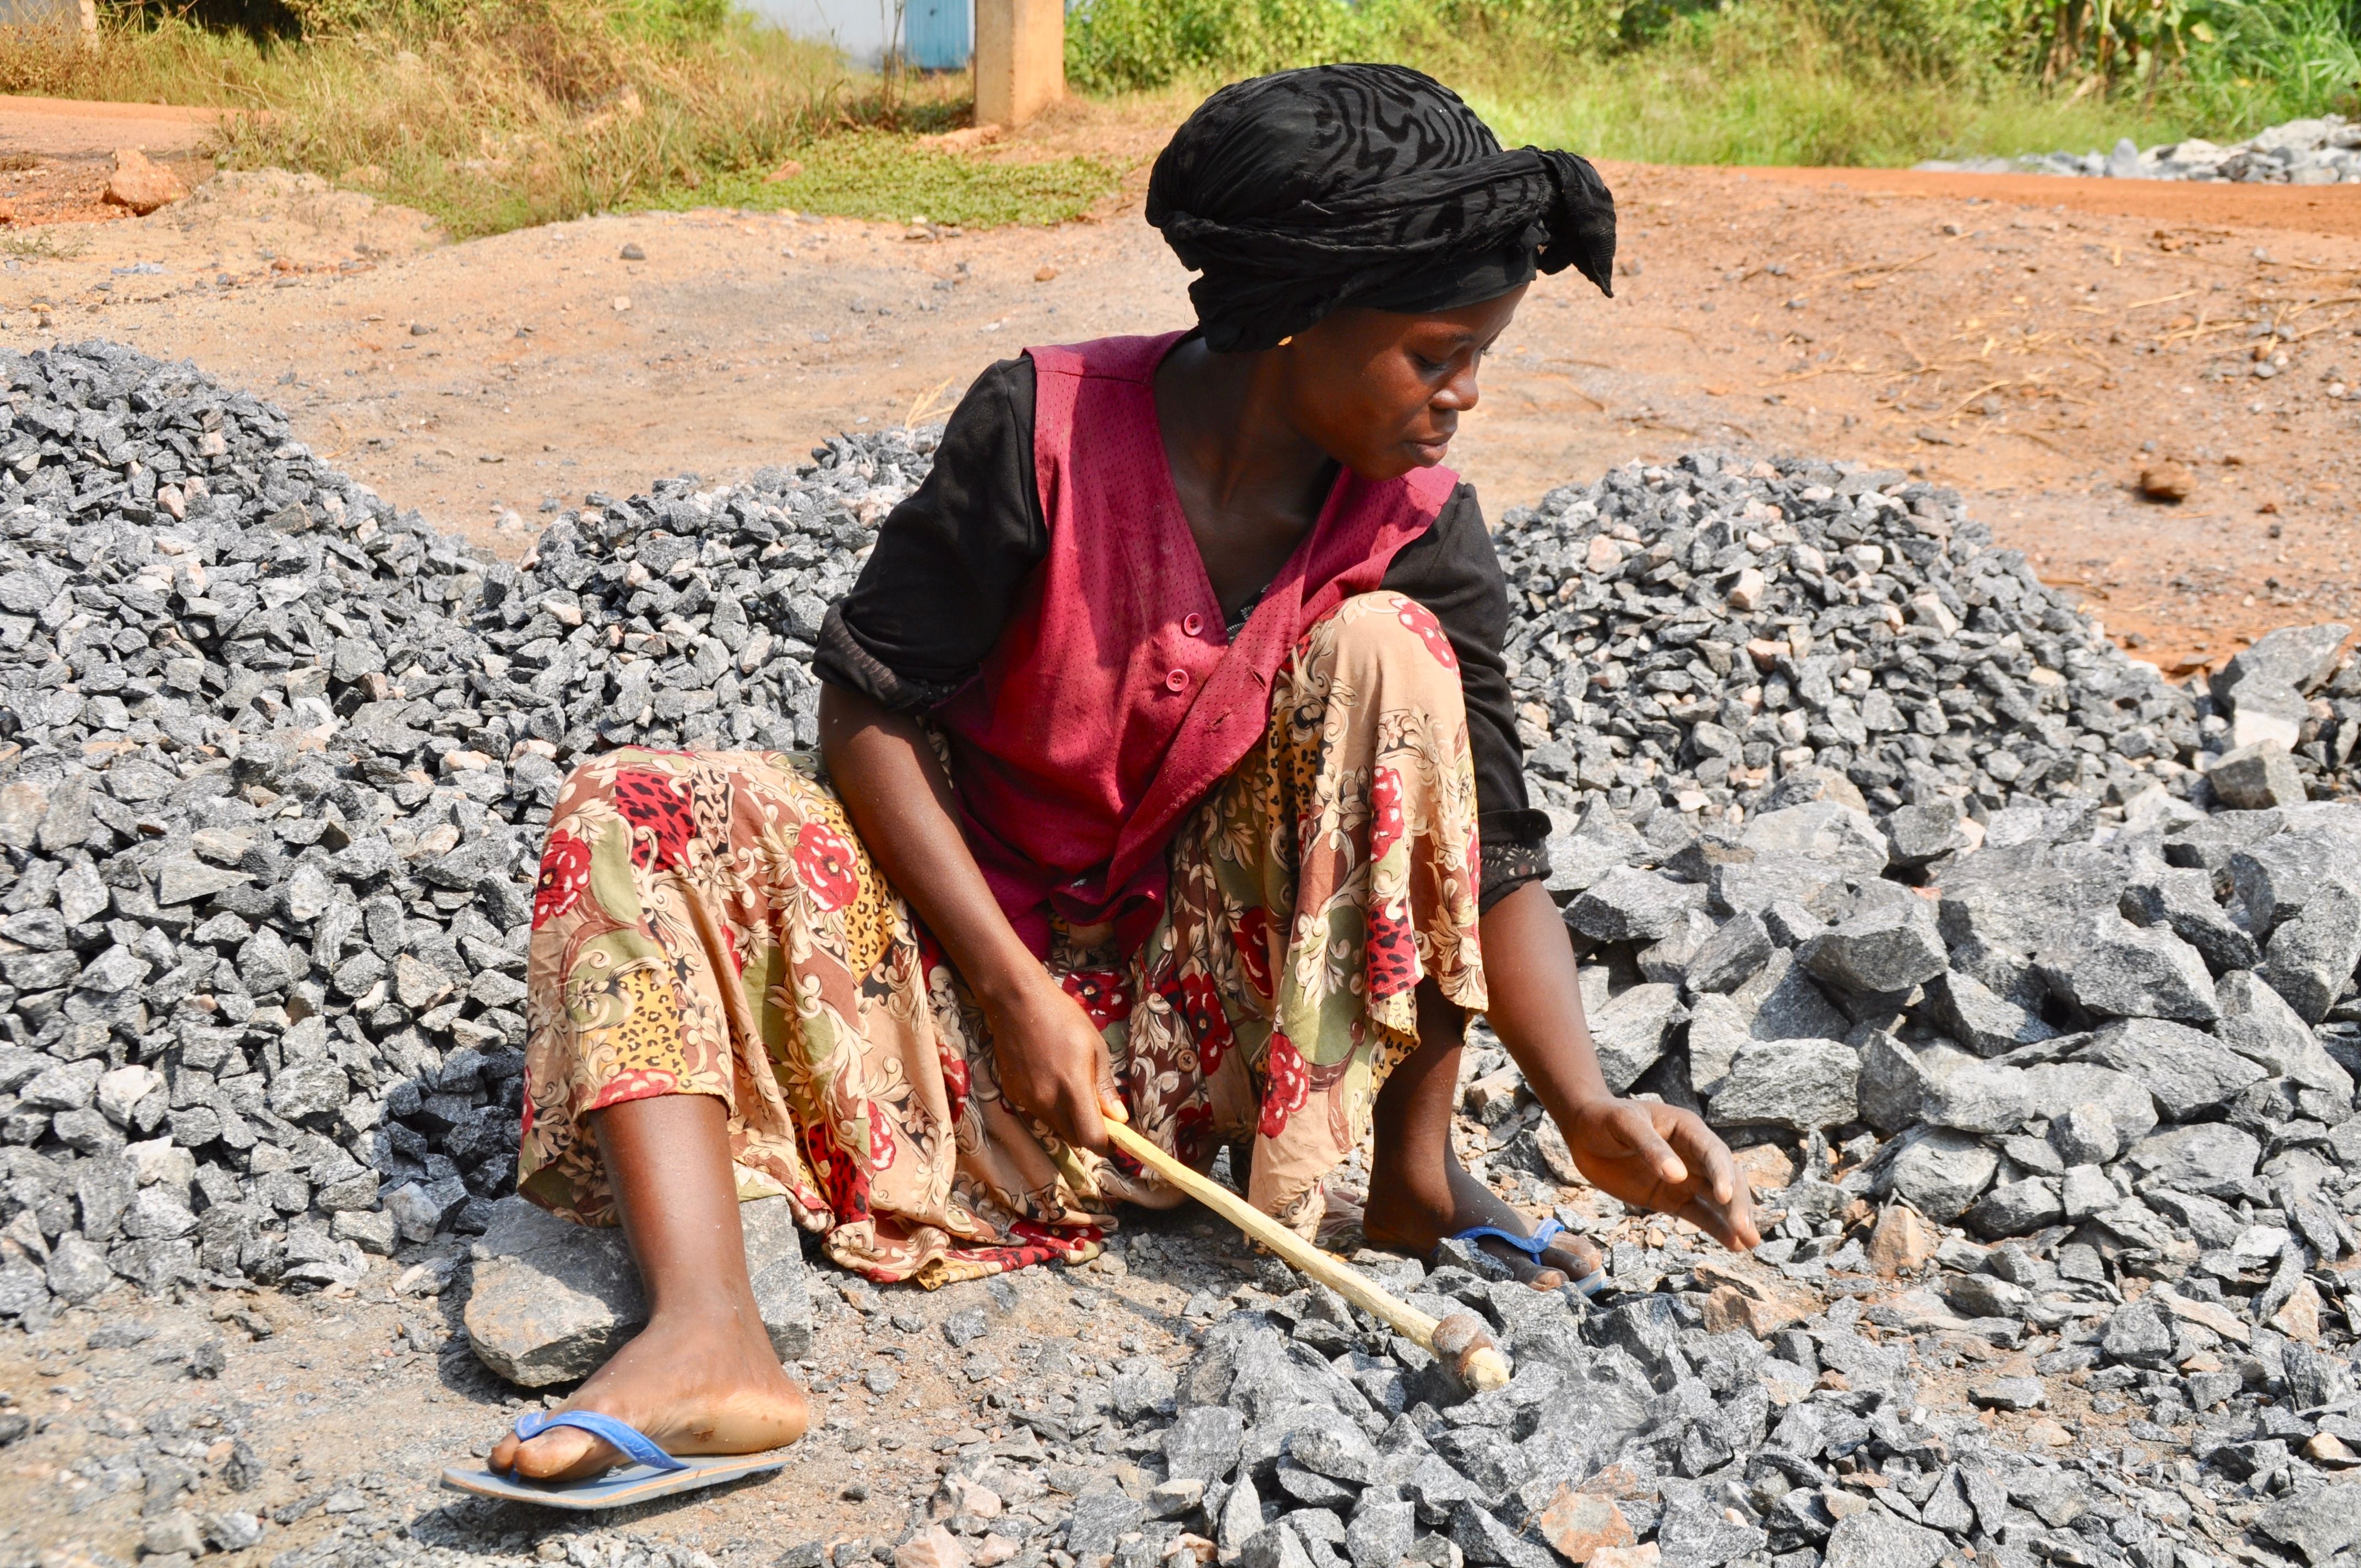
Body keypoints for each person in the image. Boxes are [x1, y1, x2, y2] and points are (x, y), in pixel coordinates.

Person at [489, 62, 1760, 1487]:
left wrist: (1586, 1108)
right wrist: (1015, 986)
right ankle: (713, 1330)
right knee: (639, 803)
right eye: (1436, 351)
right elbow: (868, 706)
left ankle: (1408, 1180)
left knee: (1397, 658)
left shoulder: (1417, 525)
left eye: (1484, 352)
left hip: (1202, 1052)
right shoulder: (1042, 428)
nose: (1465, 393)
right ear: (1293, 320)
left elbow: (1500, 848)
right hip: (968, 1024)